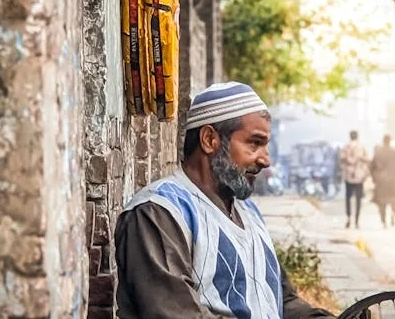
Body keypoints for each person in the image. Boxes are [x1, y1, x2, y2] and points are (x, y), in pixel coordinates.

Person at [114, 82, 334, 318]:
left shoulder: (248, 213)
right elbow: (176, 313)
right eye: (255, 143)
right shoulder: (158, 214)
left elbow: (282, 300)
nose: (265, 160)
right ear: (209, 139)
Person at [339, 130, 369, 229]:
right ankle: (357, 220)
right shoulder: (362, 147)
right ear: (357, 136)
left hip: (348, 176)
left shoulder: (345, 147)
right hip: (359, 176)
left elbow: (341, 160)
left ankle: (348, 218)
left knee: (348, 198)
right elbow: (367, 160)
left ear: (350, 136)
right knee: (358, 199)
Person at [371, 135, 395, 229]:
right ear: (390, 141)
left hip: (381, 182)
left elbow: (372, 168)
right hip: (393, 181)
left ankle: (383, 221)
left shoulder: (378, 154)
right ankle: (393, 213)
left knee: (381, 203)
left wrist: (374, 179)